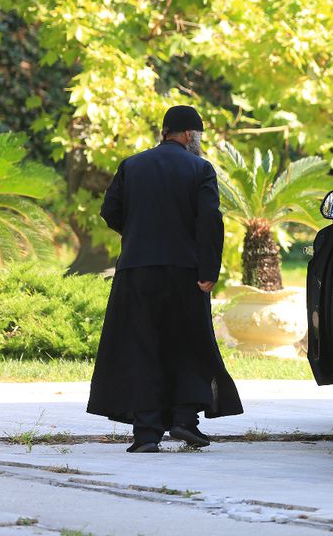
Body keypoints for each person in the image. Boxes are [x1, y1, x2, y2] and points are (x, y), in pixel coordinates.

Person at [87, 105, 242, 452]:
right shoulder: (200, 168)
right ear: (189, 135)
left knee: (141, 347)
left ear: (165, 132)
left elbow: (110, 211)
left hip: (136, 271)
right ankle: (185, 420)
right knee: (188, 343)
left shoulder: (132, 165)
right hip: (186, 272)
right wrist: (208, 272)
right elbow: (209, 222)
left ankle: (146, 435)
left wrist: (139, 233)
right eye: (198, 135)